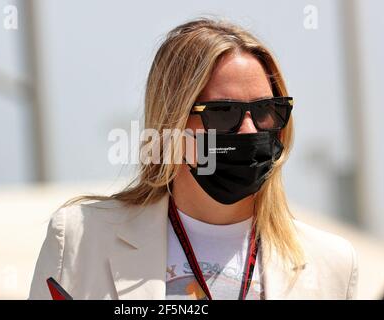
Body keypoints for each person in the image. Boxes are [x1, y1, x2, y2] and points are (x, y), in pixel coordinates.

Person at [28, 17, 358, 300]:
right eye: (224, 113)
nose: (248, 130)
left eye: (266, 111)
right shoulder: (82, 238)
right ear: (172, 123)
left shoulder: (331, 264)